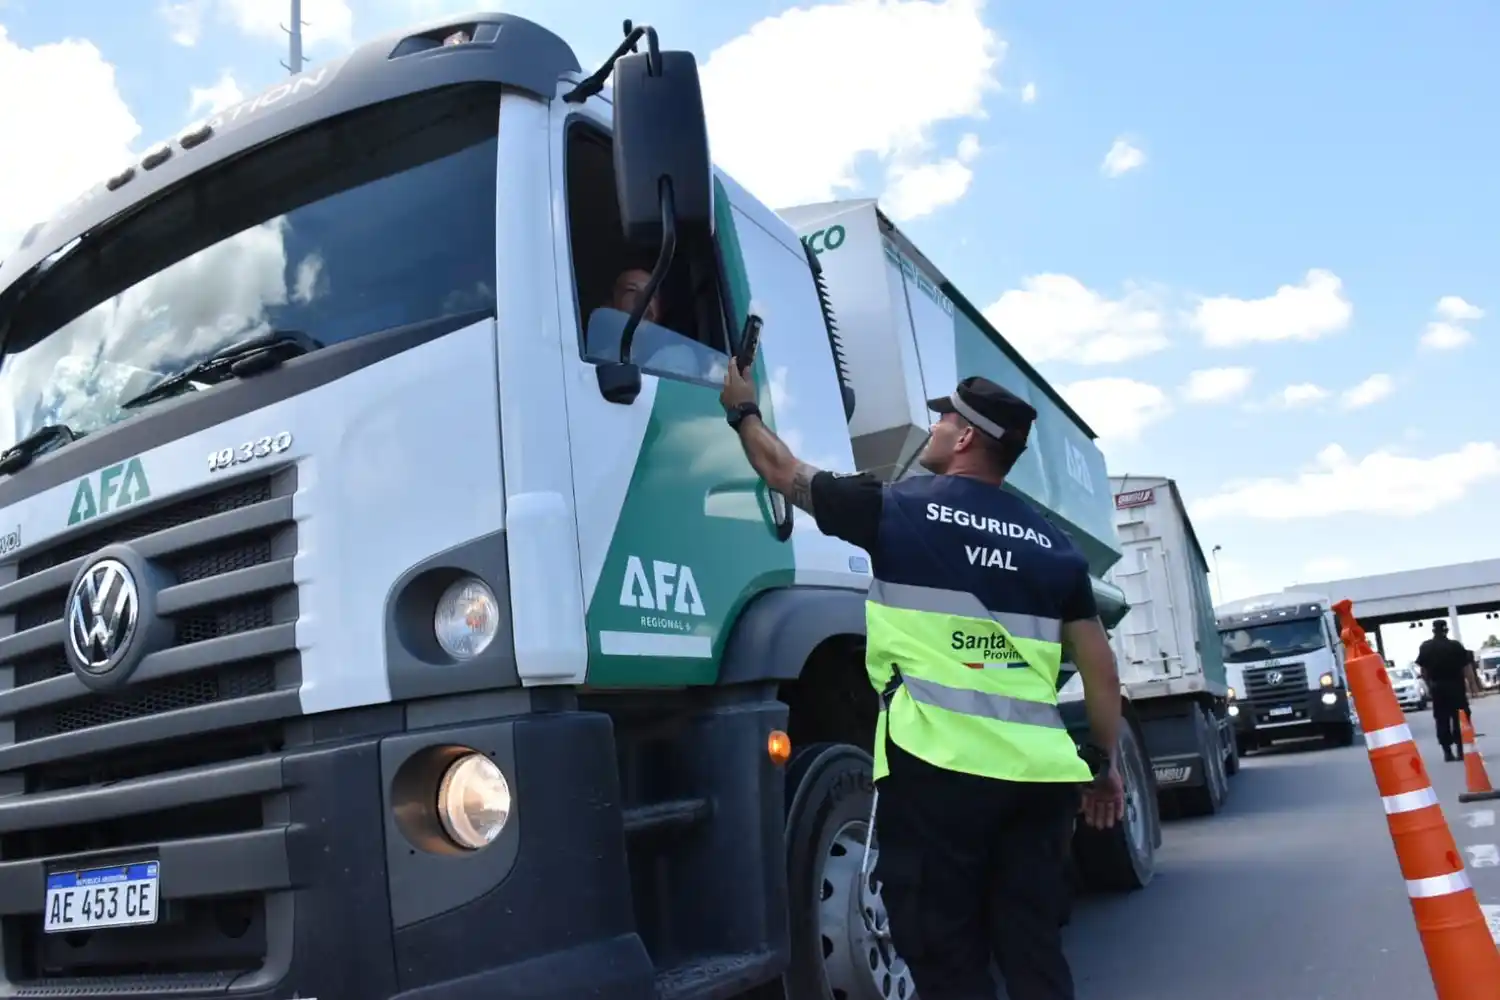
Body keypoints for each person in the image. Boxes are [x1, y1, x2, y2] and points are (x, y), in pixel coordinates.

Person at [719, 367, 1125, 1000]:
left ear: (965, 437)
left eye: (943, 419)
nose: (933, 427)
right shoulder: (1055, 548)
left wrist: (742, 410)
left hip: (940, 769)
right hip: (1040, 780)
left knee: (945, 955)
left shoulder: (897, 509)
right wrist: (1103, 764)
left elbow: (779, 470)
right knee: (1033, 949)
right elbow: (1100, 669)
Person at [1416, 620, 1472, 762]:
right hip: (1456, 687)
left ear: (1433, 631)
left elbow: (1423, 670)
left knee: (1441, 719)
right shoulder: (1455, 646)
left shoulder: (1426, 647)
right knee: (1461, 718)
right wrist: (1472, 686)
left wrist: (1429, 686)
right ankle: (1461, 750)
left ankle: (1447, 752)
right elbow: (1466, 668)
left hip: (1437, 688)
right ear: (1446, 630)